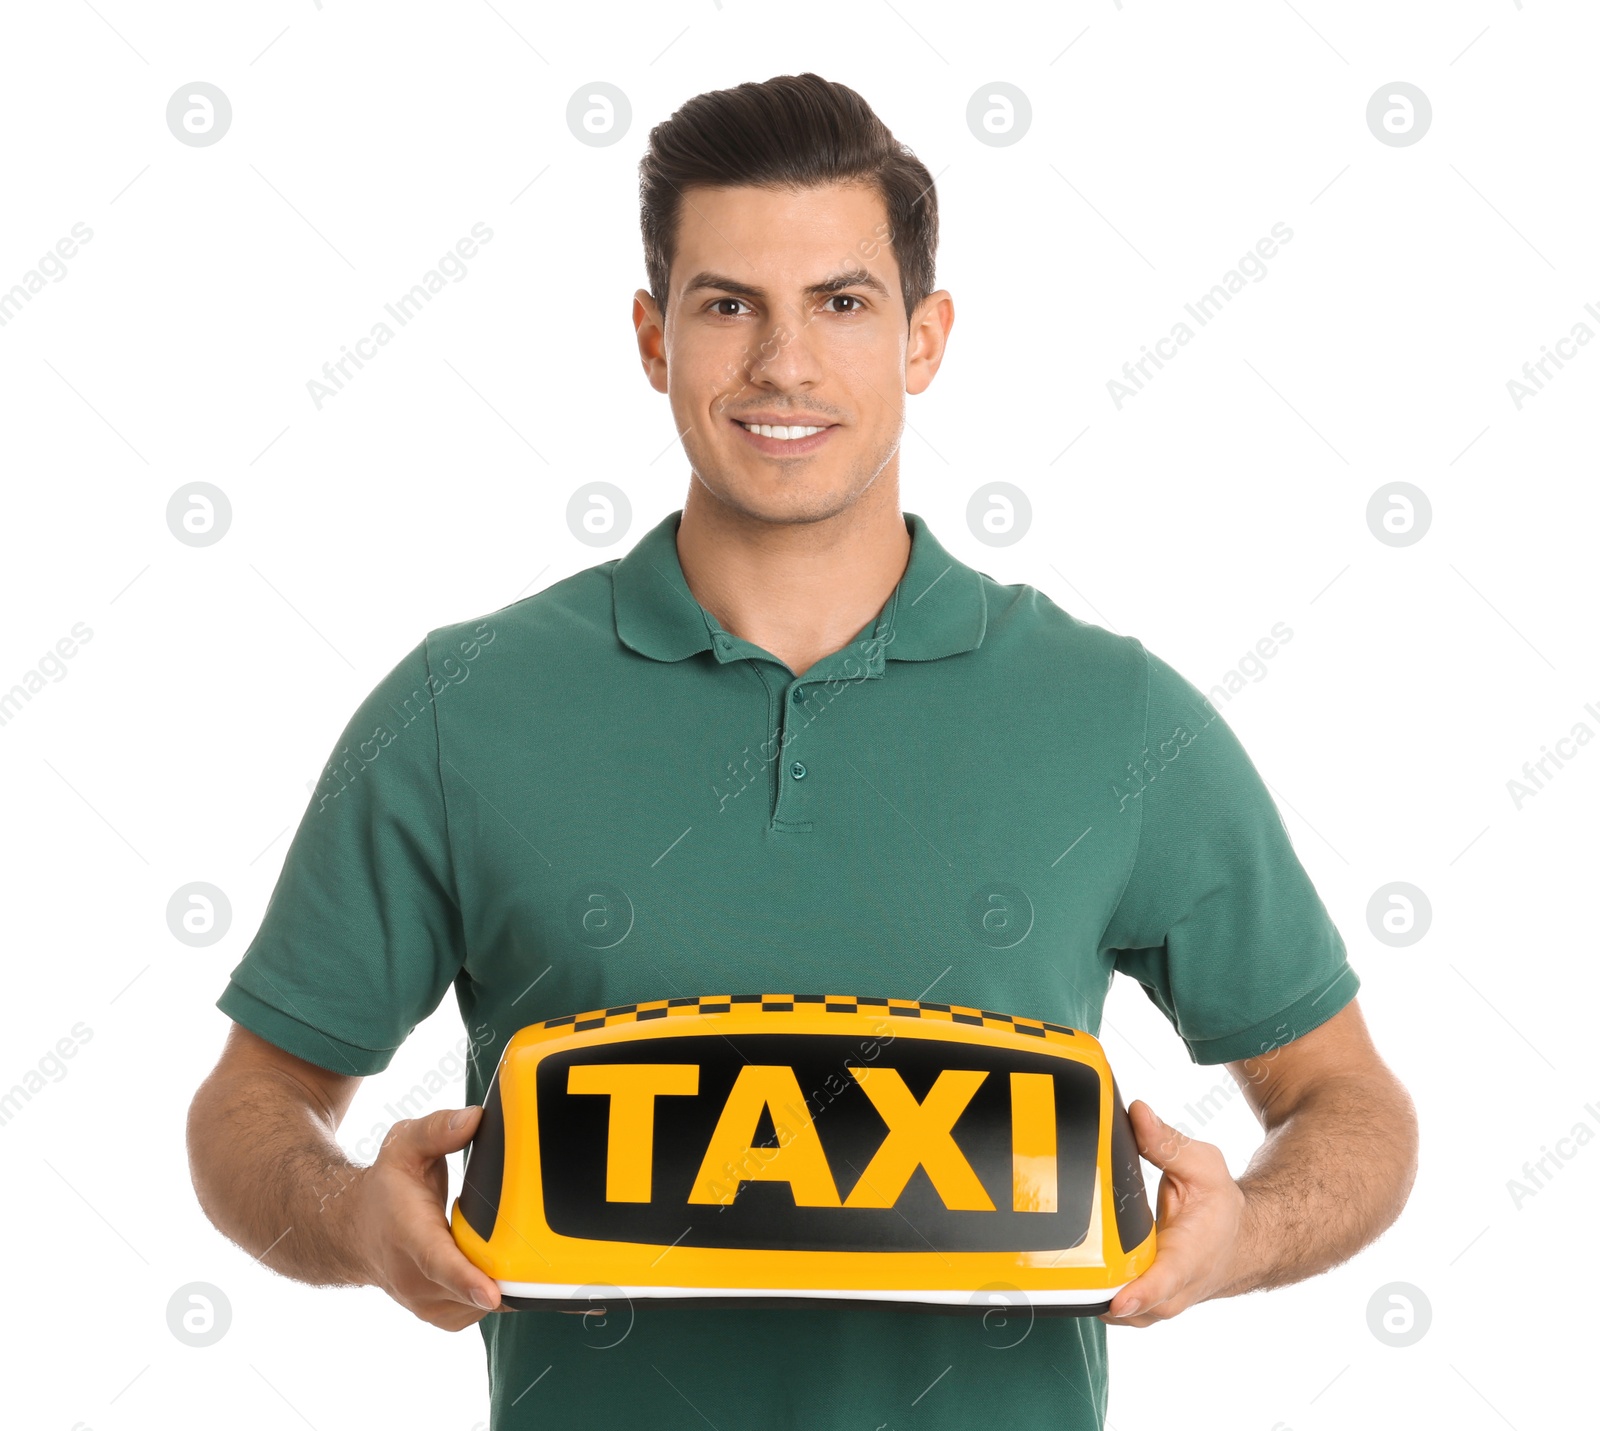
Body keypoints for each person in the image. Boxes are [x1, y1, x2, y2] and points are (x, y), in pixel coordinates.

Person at [187, 72, 1418, 1430]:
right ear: (654, 339)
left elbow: (1347, 1103)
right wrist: (357, 1223)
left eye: (841, 302)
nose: (784, 364)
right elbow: (252, 1109)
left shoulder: (1116, 717)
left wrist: (1242, 1234)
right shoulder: (459, 707)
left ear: (925, 337)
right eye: (729, 306)